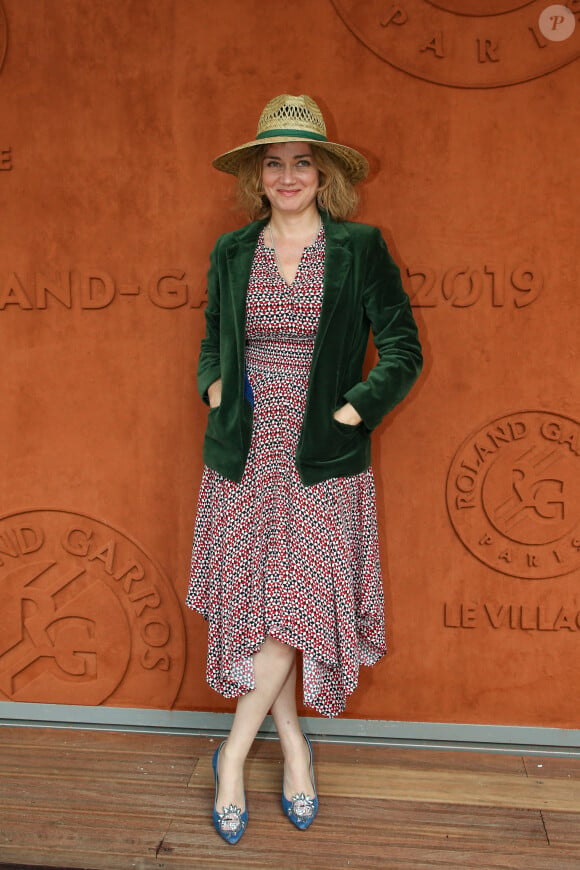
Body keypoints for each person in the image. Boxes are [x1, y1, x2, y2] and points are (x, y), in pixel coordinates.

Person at [186, 93, 423, 845]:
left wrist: (353, 410)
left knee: (293, 600)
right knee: (269, 605)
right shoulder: (232, 250)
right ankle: (293, 747)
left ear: (323, 176)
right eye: (274, 163)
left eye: (302, 162)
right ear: (259, 176)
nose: (288, 175)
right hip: (247, 450)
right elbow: (213, 339)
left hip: (322, 455)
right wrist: (217, 388)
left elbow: (403, 348)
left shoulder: (360, 247)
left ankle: (231, 755)